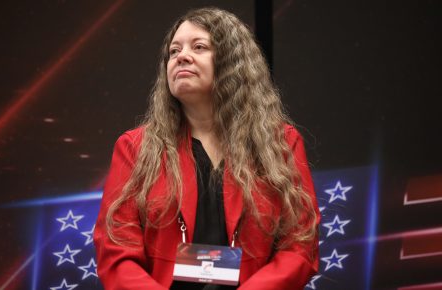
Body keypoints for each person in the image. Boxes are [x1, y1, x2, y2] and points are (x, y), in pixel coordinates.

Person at [94, 7, 320, 290]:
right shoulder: (135, 147)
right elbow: (116, 252)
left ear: (233, 63)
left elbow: (299, 246)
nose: (181, 56)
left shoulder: (281, 144)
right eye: (173, 51)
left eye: (199, 47)